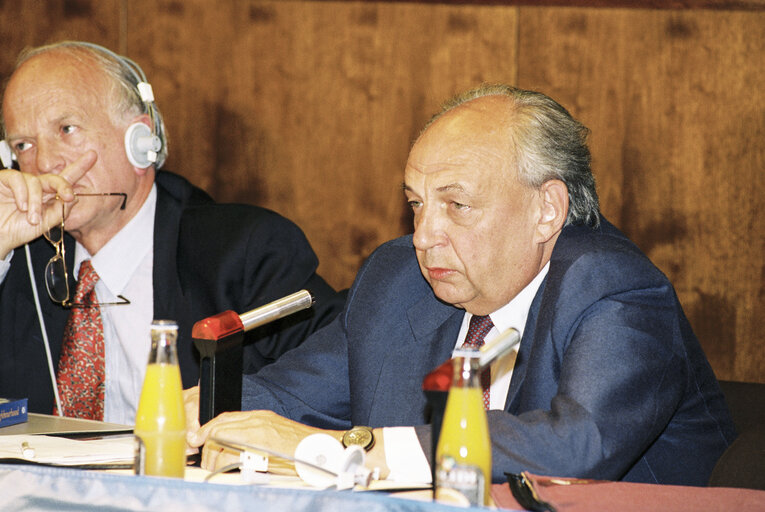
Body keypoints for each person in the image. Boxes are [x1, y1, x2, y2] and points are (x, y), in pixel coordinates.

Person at [188, 84, 735, 486]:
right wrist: (198, 416)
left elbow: (577, 447)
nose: (424, 237)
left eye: (457, 205)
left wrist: (346, 450)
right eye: (417, 204)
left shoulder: (613, 289)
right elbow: (288, 396)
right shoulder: (397, 278)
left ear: (547, 209)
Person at [0, 41, 345, 425]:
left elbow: (341, 379)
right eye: (23, 144)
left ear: (140, 142)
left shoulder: (243, 252)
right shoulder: (16, 259)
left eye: (67, 129)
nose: (44, 162)